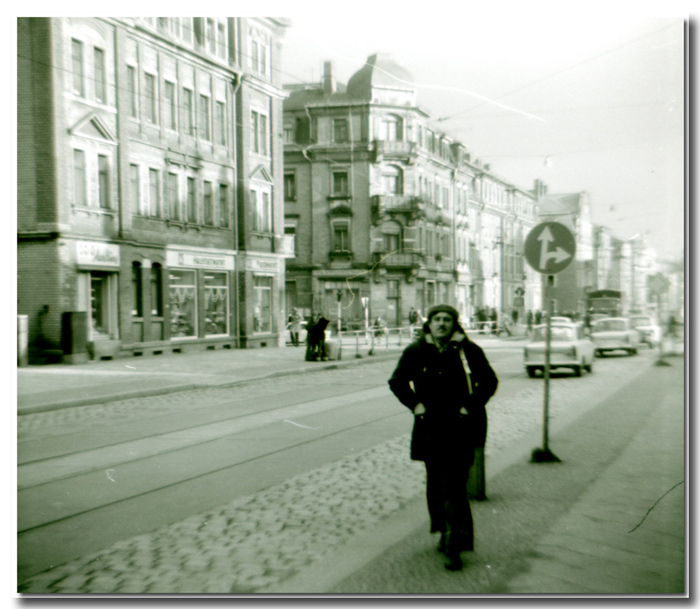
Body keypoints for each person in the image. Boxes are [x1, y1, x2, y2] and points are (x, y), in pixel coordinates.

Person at [388, 304, 498, 571]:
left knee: (455, 487)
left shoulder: (468, 350)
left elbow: (489, 381)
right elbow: (397, 382)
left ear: (454, 324)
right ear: (429, 323)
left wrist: (468, 406)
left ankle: (455, 544)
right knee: (436, 484)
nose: (442, 324)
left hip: (462, 426)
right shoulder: (416, 351)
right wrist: (416, 405)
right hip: (430, 427)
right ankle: (442, 530)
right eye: (436, 319)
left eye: (447, 320)